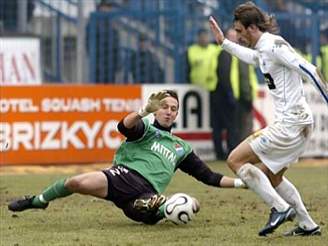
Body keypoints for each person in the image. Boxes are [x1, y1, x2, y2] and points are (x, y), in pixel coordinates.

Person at [8, 90, 246, 225]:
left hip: (148, 192)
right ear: (157, 109)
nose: (169, 111)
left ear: (176, 115)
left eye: (173, 109)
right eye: (165, 106)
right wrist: (144, 110)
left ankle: (159, 208)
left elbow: (209, 177)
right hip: (122, 177)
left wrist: (242, 182)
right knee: (75, 183)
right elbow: (123, 126)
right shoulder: (146, 129)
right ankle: (39, 200)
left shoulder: (181, 147)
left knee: (180, 204)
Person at [209, 1, 324, 236]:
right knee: (273, 176)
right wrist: (225, 43)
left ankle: (279, 208)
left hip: (292, 123)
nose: (238, 36)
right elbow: (253, 58)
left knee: (235, 160)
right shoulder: (263, 49)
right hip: (297, 123)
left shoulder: (273, 46)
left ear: (252, 28)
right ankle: (307, 225)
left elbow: (310, 70)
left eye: (240, 31)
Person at [186, 28, 235, 160]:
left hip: (214, 89)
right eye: (202, 36)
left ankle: (223, 152)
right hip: (211, 90)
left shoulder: (215, 50)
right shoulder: (192, 51)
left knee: (219, 124)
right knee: (221, 124)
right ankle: (222, 152)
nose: (204, 39)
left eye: (206, 36)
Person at [87, 1, 120, 83]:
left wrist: (117, 63)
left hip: (110, 64)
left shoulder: (111, 23)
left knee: (110, 91)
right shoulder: (94, 22)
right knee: (100, 90)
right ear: (101, 7)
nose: (109, 9)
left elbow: (116, 44)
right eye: (107, 7)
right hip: (99, 64)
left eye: (110, 7)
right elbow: (88, 43)